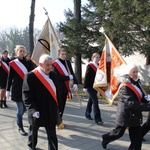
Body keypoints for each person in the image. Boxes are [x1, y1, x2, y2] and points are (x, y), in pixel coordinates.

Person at [101, 64, 150, 150]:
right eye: (133, 72)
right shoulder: (125, 86)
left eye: (137, 72)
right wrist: (148, 106)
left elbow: (139, 96)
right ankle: (106, 138)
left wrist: (146, 98)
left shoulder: (137, 82)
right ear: (127, 73)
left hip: (135, 115)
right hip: (126, 115)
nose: (135, 74)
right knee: (118, 133)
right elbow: (131, 103)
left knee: (137, 140)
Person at [22, 54, 59, 150]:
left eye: (51, 65)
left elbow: (56, 93)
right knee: (33, 133)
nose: (50, 67)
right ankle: (32, 147)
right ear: (40, 64)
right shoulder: (30, 76)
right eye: (47, 65)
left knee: (52, 135)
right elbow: (26, 96)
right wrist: (33, 110)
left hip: (50, 111)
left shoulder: (53, 75)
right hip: (36, 111)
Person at [6, 45, 35, 136]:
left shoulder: (28, 62)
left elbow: (32, 74)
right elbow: (10, 78)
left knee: (25, 109)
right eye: (20, 51)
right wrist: (7, 90)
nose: (22, 52)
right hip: (17, 89)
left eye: (23, 51)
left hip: (27, 89)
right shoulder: (13, 63)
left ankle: (19, 119)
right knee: (20, 109)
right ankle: (20, 127)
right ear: (17, 52)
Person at [53, 47, 78, 129]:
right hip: (58, 88)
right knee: (59, 105)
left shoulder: (67, 62)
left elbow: (72, 73)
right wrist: (68, 78)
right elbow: (57, 77)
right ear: (58, 54)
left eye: (65, 54)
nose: (64, 56)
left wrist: (75, 82)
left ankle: (60, 120)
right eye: (62, 54)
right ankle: (57, 121)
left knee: (63, 105)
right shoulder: (55, 64)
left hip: (66, 88)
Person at [83, 53, 103, 125]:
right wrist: (85, 86)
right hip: (90, 87)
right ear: (93, 57)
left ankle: (87, 113)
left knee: (91, 100)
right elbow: (87, 76)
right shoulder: (90, 65)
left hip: (96, 86)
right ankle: (98, 119)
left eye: (99, 57)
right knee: (95, 101)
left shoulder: (99, 66)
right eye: (96, 57)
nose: (97, 58)